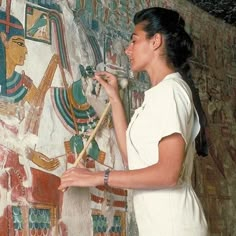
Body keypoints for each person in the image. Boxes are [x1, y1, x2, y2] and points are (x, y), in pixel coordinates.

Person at [59, 7, 208, 236]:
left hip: (176, 225)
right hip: (160, 225)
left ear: (155, 41)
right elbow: (133, 158)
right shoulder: (158, 94)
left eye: (134, 41)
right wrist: (115, 100)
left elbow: (168, 173)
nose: (128, 50)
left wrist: (96, 177)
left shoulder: (171, 91)